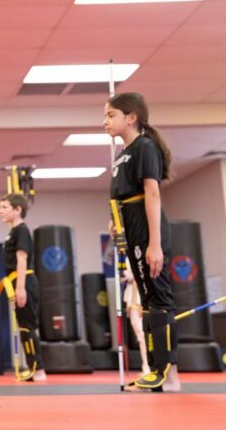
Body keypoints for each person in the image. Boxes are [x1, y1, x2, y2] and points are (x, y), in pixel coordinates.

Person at [105, 92, 179, 392]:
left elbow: (152, 194)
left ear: (131, 117)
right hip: (131, 225)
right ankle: (156, 372)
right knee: (147, 302)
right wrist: (116, 222)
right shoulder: (121, 154)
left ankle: (170, 375)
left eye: (111, 115)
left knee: (159, 300)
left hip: (148, 228)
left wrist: (155, 244)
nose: (105, 121)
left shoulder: (145, 147)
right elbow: (124, 195)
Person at [0, 193, 46, 382]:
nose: (1, 211)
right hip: (16, 280)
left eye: (4, 207)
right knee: (23, 327)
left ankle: (39, 368)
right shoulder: (12, 232)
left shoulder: (21, 231)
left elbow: (22, 259)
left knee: (28, 326)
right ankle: (32, 366)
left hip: (24, 280)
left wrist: (20, 288)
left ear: (17, 210)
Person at [123, 268, 150, 375]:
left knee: (144, 336)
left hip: (141, 302)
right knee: (140, 337)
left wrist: (143, 304)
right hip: (132, 303)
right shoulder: (126, 258)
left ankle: (149, 367)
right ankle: (146, 366)